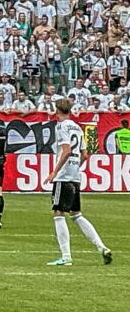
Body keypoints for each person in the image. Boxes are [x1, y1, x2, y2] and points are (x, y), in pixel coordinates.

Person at [44, 99, 111, 266]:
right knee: (76, 214)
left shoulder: (61, 126)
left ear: (57, 110)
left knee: (58, 214)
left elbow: (66, 151)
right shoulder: (77, 127)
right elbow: (85, 155)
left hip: (64, 177)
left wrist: (55, 171)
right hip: (75, 176)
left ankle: (66, 257)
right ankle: (102, 247)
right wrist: (75, 168)